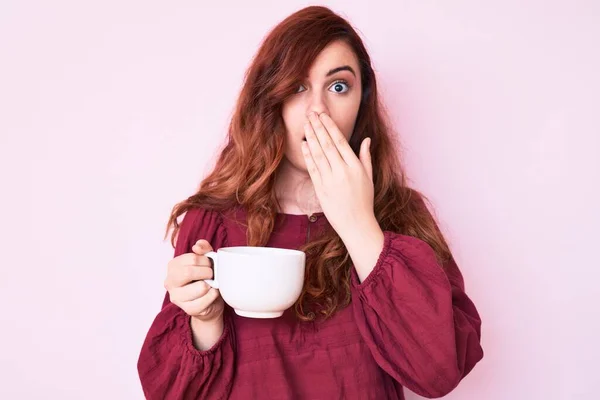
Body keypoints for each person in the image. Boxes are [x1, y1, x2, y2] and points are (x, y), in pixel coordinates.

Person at [137, 5, 484, 400]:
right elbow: (167, 393)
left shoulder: (400, 217)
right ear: (271, 99)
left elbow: (439, 371)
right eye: (298, 87)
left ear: (361, 103)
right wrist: (205, 321)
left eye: (338, 87)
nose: (319, 110)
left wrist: (359, 225)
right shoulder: (212, 222)